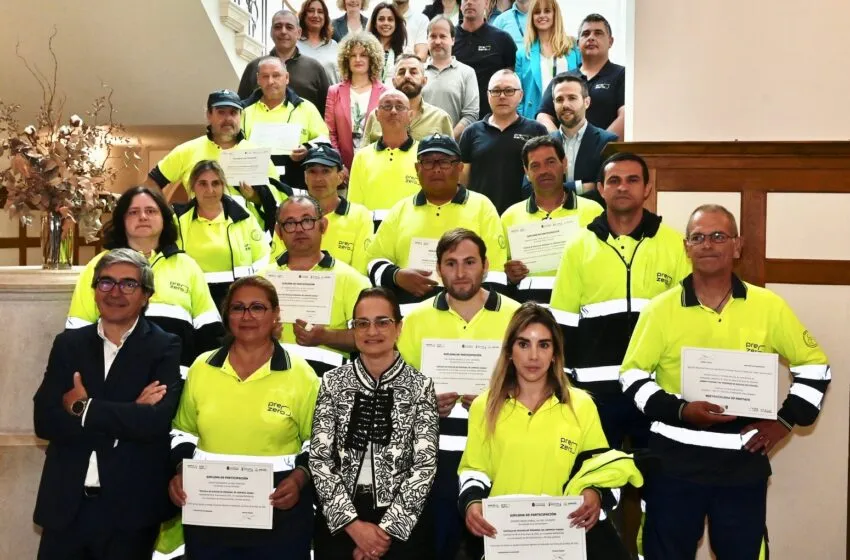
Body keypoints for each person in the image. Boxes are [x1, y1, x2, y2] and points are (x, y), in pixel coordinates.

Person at [620, 204, 831, 559]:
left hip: (742, 461)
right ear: (686, 248)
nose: (708, 244)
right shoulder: (659, 309)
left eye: (719, 236)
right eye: (698, 237)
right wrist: (682, 411)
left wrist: (783, 421)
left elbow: (816, 368)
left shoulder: (769, 307)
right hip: (673, 461)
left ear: (737, 245)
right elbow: (632, 376)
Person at [34, 248, 182, 560]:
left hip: (129, 513)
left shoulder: (164, 346)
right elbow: (44, 420)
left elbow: (154, 423)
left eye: (128, 284)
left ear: (145, 296)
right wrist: (127, 416)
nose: (115, 292)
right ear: (94, 290)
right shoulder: (68, 344)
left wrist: (83, 408)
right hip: (66, 509)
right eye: (106, 283)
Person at [459, 302, 635, 560]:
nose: (533, 356)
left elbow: (598, 467)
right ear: (509, 351)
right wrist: (472, 503)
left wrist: (593, 493)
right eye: (523, 344)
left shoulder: (581, 405)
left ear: (555, 352)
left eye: (543, 345)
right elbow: (474, 469)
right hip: (506, 538)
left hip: (563, 539)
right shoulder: (483, 406)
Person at [168, 276, 319, 559]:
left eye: (257, 307)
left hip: (279, 508)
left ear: (276, 314)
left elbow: (320, 440)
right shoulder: (202, 367)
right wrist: (180, 470)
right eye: (238, 308)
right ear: (227, 316)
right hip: (209, 508)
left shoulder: (301, 374)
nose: (247, 316)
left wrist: (299, 478)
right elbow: (182, 431)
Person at [550, 152, 690, 449]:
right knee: (598, 482)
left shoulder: (674, 244)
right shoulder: (578, 246)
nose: (623, 187)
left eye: (632, 180)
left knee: (657, 483)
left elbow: (687, 320)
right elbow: (562, 322)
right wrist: (561, 387)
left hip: (657, 389)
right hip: (595, 392)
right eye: (614, 181)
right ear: (601, 189)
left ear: (647, 188)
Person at [397, 228, 520, 558]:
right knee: (437, 548)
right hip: (436, 457)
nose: (461, 273)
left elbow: (536, 382)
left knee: (496, 549)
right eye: (451, 263)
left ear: (486, 265)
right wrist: (424, 404)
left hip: (499, 453)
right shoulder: (414, 319)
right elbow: (395, 389)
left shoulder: (516, 316)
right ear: (438, 269)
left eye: (469, 262)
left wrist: (500, 397)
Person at [310, 287, 439, 559]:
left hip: (402, 525)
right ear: (354, 329)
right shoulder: (332, 383)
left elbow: (424, 465)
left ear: (399, 327)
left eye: (383, 322)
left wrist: (383, 534)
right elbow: (320, 459)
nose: (372, 332)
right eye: (362, 323)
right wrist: (354, 527)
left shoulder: (421, 386)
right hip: (341, 522)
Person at [67, 187, 223, 370]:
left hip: (176, 382)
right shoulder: (98, 266)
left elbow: (210, 334)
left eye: (151, 211)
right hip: (115, 383)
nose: (143, 217)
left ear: (164, 218)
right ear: (122, 220)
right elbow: (78, 334)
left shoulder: (187, 266)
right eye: (133, 212)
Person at [366, 135, 508, 305]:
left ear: (460, 168)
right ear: (417, 168)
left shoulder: (482, 207)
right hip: (411, 319)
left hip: (468, 316)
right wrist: (396, 276)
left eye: (445, 162)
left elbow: (496, 272)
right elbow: (373, 261)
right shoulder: (400, 210)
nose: (436, 169)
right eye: (428, 162)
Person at [145, 89, 282, 230]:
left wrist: (255, 197)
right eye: (221, 112)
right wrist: (168, 216)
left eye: (233, 113)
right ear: (209, 115)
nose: (228, 119)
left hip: (249, 239)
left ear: (240, 116)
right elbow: (151, 183)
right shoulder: (187, 150)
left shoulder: (257, 154)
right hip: (197, 236)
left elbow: (279, 200)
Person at [264, 196, 371, 375]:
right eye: (290, 223)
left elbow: (370, 335)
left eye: (307, 221)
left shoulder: (352, 280)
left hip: (332, 383)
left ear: (323, 225)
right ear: (279, 232)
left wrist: (326, 337)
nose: (299, 229)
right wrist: (264, 335)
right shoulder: (261, 280)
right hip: (271, 380)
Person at [501, 136, 603, 303]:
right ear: (526, 172)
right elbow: (498, 271)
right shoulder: (509, 217)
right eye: (535, 165)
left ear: (564, 164)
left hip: (580, 309)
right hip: (529, 312)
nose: (544, 171)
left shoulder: (594, 212)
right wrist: (509, 275)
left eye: (550, 162)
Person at [174, 160, 270, 307]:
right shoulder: (177, 221)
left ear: (223, 186)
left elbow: (263, 258)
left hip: (238, 300)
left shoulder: (244, 217)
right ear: (193, 187)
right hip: (192, 299)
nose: (210, 190)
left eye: (216, 183)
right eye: (203, 184)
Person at [272, 146, 373, 273]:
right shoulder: (289, 215)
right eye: (312, 171)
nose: (318, 178)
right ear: (305, 177)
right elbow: (276, 267)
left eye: (326, 171)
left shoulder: (359, 216)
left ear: (340, 177)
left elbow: (361, 270)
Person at [459, 69, 547, 214]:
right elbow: (463, 182)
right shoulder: (471, 132)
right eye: (496, 91)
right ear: (488, 95)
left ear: (521, 95)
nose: (502, 96)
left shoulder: (537, 130)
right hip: (481, 214)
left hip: (525, 214)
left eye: (509, 91)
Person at [242, 56, 330, 194]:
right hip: (255, 189)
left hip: (297, 188)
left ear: (287, 78)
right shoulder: (243, 111)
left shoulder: (306, 108)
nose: (270, 81)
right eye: (265, 76)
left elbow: (324, 140)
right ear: (258, 79)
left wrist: (307, 149)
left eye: (276, 75)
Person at [537, 13, 625, 140]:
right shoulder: (562, 79)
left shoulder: (622, 75)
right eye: (586, 34)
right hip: (566, 156)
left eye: (598, 33)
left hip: (606, 154)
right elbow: (543, 116)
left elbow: (625, 116)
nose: (591, 38)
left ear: (610, 41)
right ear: (578, 44)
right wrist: (558, 144)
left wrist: (598, 145)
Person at [544, 73, 618, 207]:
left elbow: (605, 190)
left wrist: (553, 190)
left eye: (572, 98)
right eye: (559, 99)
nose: (565, 104)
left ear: (587, 102)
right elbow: (528, 190)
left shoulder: (607, 142)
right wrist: (580, 187)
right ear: (553, 104)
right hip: (552, 222)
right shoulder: (544, 144)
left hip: (591, 221)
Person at [239, 10, 331, 116]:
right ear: (271, 32)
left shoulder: (314, 68)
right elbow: (241, 109)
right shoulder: (254, 67)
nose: (283, 31)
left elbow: (328, 112)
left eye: (289, 27)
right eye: (278, 27)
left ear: (299, 33)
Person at [348, 90, 421, 218]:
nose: (393, 111)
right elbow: (354, 207)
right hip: (372, 232)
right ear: (377, 114)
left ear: (410, 115)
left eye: (399, 107)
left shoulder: (423, 155)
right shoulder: (362, 157)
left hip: (411, 231)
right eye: (387, 106)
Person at [325, 32, 388, 173]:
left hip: (376, 166)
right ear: (346, 59)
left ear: (372, 58)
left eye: (363, 55)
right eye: (353, 55)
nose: (358, 59)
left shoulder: (386, 93)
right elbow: (330, 133)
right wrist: (338, 165)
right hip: (342, 168)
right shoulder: (334, 91)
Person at [362, 54, 453, 144]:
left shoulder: (440, 118)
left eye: (413, 72)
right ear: (393, 82)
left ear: (424, 80)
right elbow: (363, 156)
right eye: (401, 72)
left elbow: (451, 157)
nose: (407, 76)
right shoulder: (376, 116)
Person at [515, 0, 580, 119]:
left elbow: (584, 82)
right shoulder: (523, 54)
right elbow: (518, 94)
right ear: (531, 17)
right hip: (535, 119)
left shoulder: (572, 46)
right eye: (537, 12)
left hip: (570, 115)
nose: (542, 15)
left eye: (547, 11)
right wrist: (522, 120)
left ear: (555, 14)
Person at [453, 0, 516, 119]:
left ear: (487, 3)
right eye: (465, 0)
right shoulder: (450, 39)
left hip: (492, 118)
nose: (469, 2)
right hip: (456, 115)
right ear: (460, 5)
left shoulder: (502, 39)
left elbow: (511, 81)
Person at [423, 16, 479, 140]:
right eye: (433, 36)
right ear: (427, 39)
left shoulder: (467, 73)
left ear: (453, 40)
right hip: (419, 149)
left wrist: (446, 140)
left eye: (443, 36)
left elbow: (471, 115)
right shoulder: (417, 72)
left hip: (453, 150)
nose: (437, 41)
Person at [298, 0, 340, 82]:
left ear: (325, 17)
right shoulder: (294, 45)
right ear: (303, 15)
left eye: (320, 12)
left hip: (332, 95)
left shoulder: (333, 45)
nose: (316, 15)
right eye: (311, 11)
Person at [368, 2, 407, 84]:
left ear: (396, 24)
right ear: (375, 23)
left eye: (390, 19)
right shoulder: (366, 50)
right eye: (381, 19)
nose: (386, 23)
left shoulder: (405, 51)